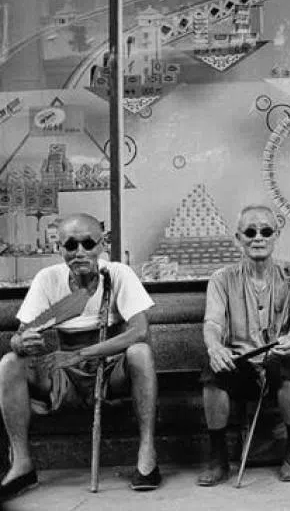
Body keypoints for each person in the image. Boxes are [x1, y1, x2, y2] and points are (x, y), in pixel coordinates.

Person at [0, 214, 160, 502]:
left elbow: (139, 331)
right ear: (59, 248)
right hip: (65, 376)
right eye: (71, 245)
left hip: (111, 370)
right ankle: (22, 463)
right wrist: (21, 342)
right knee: (9, 362)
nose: (80, 252)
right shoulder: (47, 279)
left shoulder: (118, 274)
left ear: (102, 245)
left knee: (141, 352)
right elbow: (18, 338)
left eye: (88, 243)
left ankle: (147, 452)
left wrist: (79, 354)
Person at [197, 205, 290, 486]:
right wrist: (215, 348)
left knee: (285, 363)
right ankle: (218, 457)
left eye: (265, 231)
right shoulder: (221, 279)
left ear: (276, 236)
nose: (258, 238)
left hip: (282, 354)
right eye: (250, 232)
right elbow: (212, 323)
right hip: (244, 362)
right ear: (238, 238)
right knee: (213, 372)